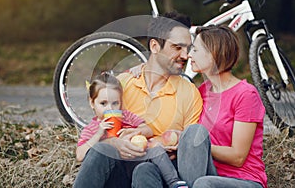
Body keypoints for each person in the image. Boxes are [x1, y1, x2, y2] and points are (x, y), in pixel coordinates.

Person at [73, 11, 203, 188]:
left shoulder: (189, 93)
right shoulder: (123, 83)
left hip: (157, 175)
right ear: (155, 46)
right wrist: (114, 143)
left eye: (188, 48)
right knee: (103, 149)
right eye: (177, 47)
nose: (185, 55)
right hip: (120, 174)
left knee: (144, 170)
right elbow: (100, 126)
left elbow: (190, 148)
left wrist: (158, 144)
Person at [177, 25, 267, 187]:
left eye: (195, 50)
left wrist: (198, 146)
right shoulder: (202, 91)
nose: (189, 55)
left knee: (204, 184)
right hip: (207, 172)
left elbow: (238, 157)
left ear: (214, 53)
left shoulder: (246, 95)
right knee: (148, 170)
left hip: (243, 179)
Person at [75, 72, 188, 188]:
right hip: (116, 174)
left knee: (156, 151)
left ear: (121, 102)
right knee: (100, 149)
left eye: (115, 103)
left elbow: (148, 130)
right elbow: (80, 155)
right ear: (92, 103)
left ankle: (175, 182)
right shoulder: (92, 128)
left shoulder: (126, 116)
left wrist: (136, 132)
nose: (110, 108)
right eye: (103, 103)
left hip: (137, 164)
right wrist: (99, 134)